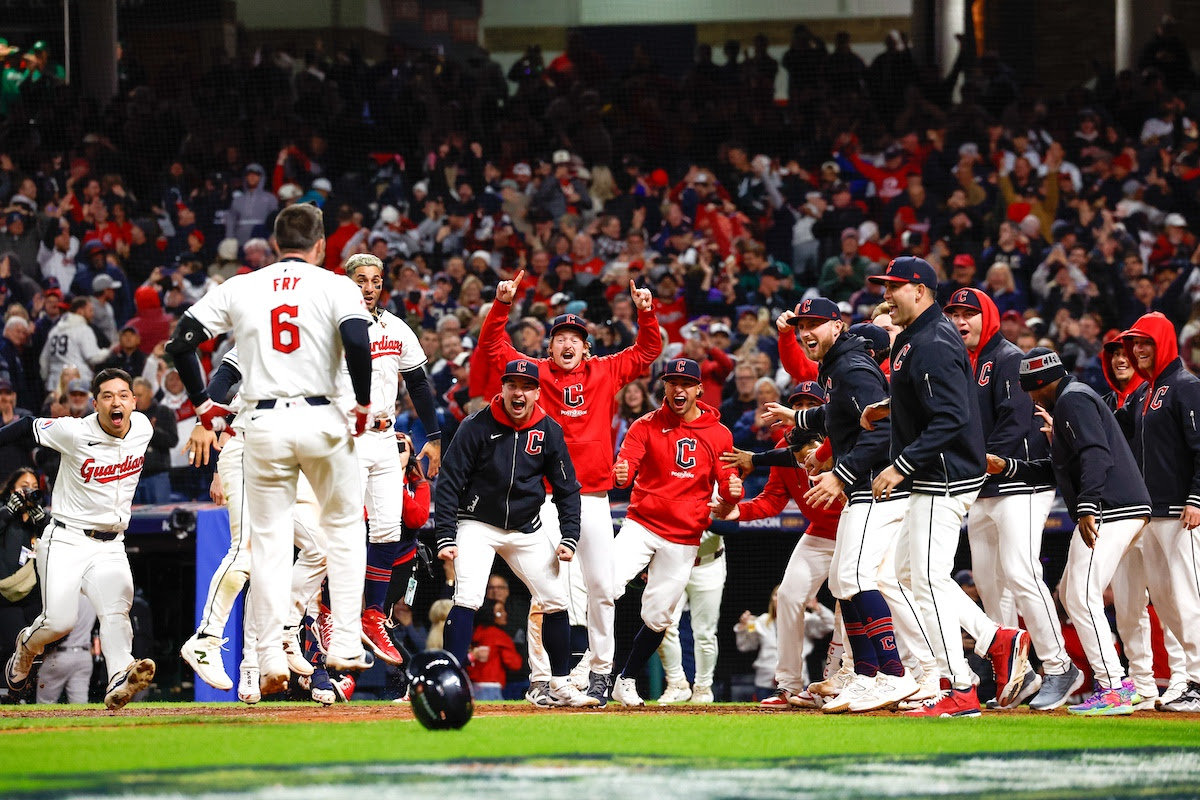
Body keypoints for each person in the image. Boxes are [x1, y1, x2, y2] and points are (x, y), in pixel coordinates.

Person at [168, 203, 375, 695]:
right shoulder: (335, 285)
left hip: (260, 423)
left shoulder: (244, 285)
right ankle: (344, 641)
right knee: (343, 528)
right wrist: (364, 402)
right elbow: (357, 341)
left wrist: (202, 407)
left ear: (275, 241)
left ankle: (266, 658)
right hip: (322, 418)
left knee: (269, 543)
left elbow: (181, 342)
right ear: (321, 244)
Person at [479, 268, 661, 707]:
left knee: (602, 587)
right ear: (550, 345)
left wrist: (646, 312)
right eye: (560, 336)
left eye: (575, 337)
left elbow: (648, 350)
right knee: (547, 593)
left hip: (593, 498)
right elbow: (492, 348)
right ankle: (542, 677)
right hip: (544, 499)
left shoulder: (605, 371)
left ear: (586, 346)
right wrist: (501, 304)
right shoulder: (535, 375)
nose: (566, 343)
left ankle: (601, 672)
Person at [865, 257, 1026, 718]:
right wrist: (887, 407)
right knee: (906, 573)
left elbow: (952, 416)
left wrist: (900, 464)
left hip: (944, 473)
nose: (886, 295)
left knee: (930, 578)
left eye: (894, 287)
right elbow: (927, 396)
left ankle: (961, 686)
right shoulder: (919, 336)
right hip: (936, 471)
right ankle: (997, 639)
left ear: (919, 290)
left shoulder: (932, 339)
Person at [763, 298, 928, 713]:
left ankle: (895, 673)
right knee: (841, 582)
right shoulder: (838, 366)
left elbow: (883, 428)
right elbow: (841, 416)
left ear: (837, 327)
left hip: (879, 486)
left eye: (815, 324)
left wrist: (841, 472)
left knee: (856, 578)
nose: (805, 332)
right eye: (802, 325)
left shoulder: (851, 367)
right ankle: (867, 674)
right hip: (866, 488)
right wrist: (800, 420)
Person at [989, 348, 1152, 715]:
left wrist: (1088, 506)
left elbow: (1096, 455)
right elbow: (1061, 467)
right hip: (1116, 506)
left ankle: (1115, 686)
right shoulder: (1071, 400)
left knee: (1080, 594)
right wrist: (1010, 467)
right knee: (1071, 592)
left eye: (1031, 389)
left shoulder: (1073, 400)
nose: (1029, 397)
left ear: (1042, 383)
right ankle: (1117, 683)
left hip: (1111, 507)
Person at [943, 287, 1079, 710]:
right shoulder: (964, 363)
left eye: (970, 313)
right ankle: (1016, 674)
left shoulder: (1007, 358)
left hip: (1022, 482)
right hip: (982, 487)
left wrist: (976, 462)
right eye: (955, 314)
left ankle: (1060, 667)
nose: (961, 321)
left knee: (1021, 573)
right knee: (989, 584)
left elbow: (1018, 422)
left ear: (988, 316)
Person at [434, 357, 591, 707]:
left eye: (526, 387)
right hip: (477, 523)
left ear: (537, 392)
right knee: (468, 598)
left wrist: (569, 536)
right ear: (502, 388)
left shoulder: (549, 429)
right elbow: (449, 482)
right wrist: (445, 534)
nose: (518, 393)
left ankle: (560, 684)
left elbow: (568, 488)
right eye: (512, 385)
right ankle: (451, 680)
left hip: (526, 527)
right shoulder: (476, 425)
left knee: (555, 600)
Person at [1, 368, 156, 710]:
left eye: (123, 395)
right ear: (95, 403)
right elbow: (26, 426)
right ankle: (25, 648)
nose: (117, 402)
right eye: (107, 396)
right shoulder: (75, 430)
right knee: (59, 622)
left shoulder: (142, 427)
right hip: (67, 539)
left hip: (111, 544)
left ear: (133, 400)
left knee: (117, 610)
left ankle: (119, 676)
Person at [608, 358, 742, 706]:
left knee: (658, 617)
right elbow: (626, 463)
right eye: (672, 382)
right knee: (605, 586)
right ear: (664, 386)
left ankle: (626, 680)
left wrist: (733, 491)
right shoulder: (645, 425)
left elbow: (727, 482)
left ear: (699, 388)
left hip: (684, 538)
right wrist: (621, 474)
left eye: (686, 383)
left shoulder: (719, 433)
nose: (678, 389)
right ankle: (588, 672)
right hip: (642, 524)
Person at [339, 254, 441, 668]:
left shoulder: (394, 326)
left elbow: (417, 381)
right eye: (360, 279)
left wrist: (433, 436)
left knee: (386, 529)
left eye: (376, 280)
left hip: (383, 436)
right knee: (342, 530)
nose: (368, 287)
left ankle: (373, 614)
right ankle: (330, 615)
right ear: (347, 283)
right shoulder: (331, 325)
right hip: (343, 436)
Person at [715, 381, 845, 709]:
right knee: (788, 596)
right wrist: (737, 511)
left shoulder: (843, 444)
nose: (800, 413)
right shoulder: (783, 457)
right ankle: (788, 685)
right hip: (818, 534)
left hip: (853, 532)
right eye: (796, 406)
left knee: (849, 606)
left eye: (808, 406)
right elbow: (771, 501)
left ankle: (844, 680)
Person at [1118, 313, 1200, 712]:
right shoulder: (1147, 392)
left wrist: (1197, 498)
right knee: (1167, 603)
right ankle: (1188, 679)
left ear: (1164, 342)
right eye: (1134, 343)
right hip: (1153, 513)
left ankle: (1199, 681)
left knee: (1190, 599)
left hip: (1184, 514)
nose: (1137, 350)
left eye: (1145, 342)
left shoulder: (1187, 387)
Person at [655, 529, 727, 704]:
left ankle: (703, 688)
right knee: (662, 625)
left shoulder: (715, 500)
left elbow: (732, 526)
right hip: (672, 564)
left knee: (705, 633)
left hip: (709, 564)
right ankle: (676, 683)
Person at [0, 467, 46, 699]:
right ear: (11, 489)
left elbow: (57, 538)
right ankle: (6, 693)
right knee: (9, 643)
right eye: (24, 487)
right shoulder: (5, 515)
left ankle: (22, 692)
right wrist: (9, 510)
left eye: (34, 488)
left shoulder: (36, 520)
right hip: (6, 593)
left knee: (32, 643)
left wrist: (42, 519)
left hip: (33, 594)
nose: (29, 492)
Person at [35, 596, 95, 704]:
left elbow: (58, 629)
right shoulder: (92, 598)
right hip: (84, 655)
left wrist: (45, 650)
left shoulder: (67, 597)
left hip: (61, 654)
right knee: (80, 705)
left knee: (45, 704)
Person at [130, 377, 177, 505]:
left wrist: (152, 432)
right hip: (133, 477)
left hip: (157, 476)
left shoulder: (164, 412)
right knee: (134, 520)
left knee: (160, 517)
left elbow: (172, 440)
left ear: (150, 393)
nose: (136, 399)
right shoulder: (129, 416)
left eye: (140, 395)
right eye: (134, 396)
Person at [466, 599, 523, 701]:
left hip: (472, 686)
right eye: (499, 611)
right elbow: (514, 664)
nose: (504, 614)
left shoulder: (473, 632)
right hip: (491, 687)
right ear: (490, 614)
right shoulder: (498, 636)